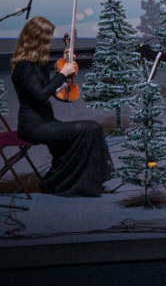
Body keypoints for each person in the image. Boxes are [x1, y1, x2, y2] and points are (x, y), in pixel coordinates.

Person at [11, 16, 113, 196]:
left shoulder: (36, 64)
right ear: (36, 39)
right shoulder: (23, 66)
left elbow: (50, 91)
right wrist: (62, 74)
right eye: (46, 38)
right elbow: (41, 96)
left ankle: (66, 182)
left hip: (46, 121)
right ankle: (68, 183)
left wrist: (63, 69)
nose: (49, 42)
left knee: (87, 131)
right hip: (33, 127)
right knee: (91, 128)